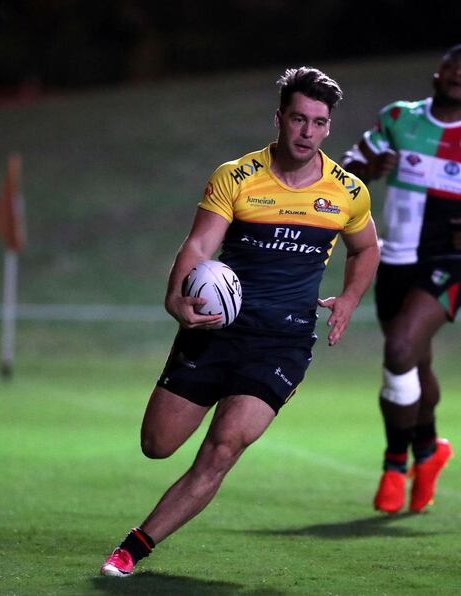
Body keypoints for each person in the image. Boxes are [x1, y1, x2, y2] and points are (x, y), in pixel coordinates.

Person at [99, 66, 380, 577]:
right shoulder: (236, 176)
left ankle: (135, 547)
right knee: (156, 445)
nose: (307, 132)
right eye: (298, 119)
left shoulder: (347, 191)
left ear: (328, 128)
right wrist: (174, 297)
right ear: (279, 118)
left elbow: (366, 249)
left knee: (224, 445)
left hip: (283, 343)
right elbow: (200, 245)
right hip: (214, 329)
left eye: (318, 122)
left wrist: (351, 298)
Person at [341, 44, 461, 514]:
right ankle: (429, 453)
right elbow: (343, 176)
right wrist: (368, 171)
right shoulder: (397, 119)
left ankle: (395, 464)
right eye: (452, 66)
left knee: (397, 349)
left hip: (449, 256)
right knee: (415, 364)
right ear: (437, 74)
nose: (458, 74)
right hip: (394, 259)